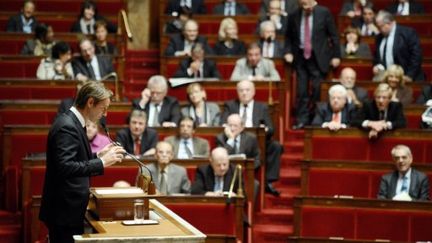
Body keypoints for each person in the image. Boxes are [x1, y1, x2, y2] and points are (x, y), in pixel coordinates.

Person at [39, 82, 126, 243]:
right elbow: (65, 167)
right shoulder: (67, 126)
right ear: (90, 102)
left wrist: (98, 154)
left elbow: (74, 159)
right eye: (103, 108)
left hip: (69, 209)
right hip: (64, 211)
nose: (105, 114)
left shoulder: (74, 122)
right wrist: (101, 162)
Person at [285, 0, 341, 129]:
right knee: (302, 91)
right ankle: (302, 120)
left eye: (310, 4)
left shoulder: (324, 12)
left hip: (318, 58)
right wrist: (288, 52)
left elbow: (334, 35)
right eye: (304, 5)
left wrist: (336, 55)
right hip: (300, 58)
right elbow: (288, 37)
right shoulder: (293, 15)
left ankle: (316, 118)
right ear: (299, 4)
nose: (308, 7)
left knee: (317, 90)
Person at [220, 80, 282, 196]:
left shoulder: (261, 107)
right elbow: (223, 123)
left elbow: (271, 128)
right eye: (241, 90)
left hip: (259, 141)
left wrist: (265, 129)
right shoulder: (231, 105)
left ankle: (268, 181)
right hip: (236, 138)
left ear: (253, 92)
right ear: (237, 92)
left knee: (276, 146)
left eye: (247, 90)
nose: (244, 93)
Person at [373, 10, 424, 82]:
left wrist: (410, 75)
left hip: (407, 78)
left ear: (389, 23)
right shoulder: (379, 37)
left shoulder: (408, 33)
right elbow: (377, 57)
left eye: (380, 27)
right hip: (388, 79)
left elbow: (416, 56)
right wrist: (377, 66)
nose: (378, 30)